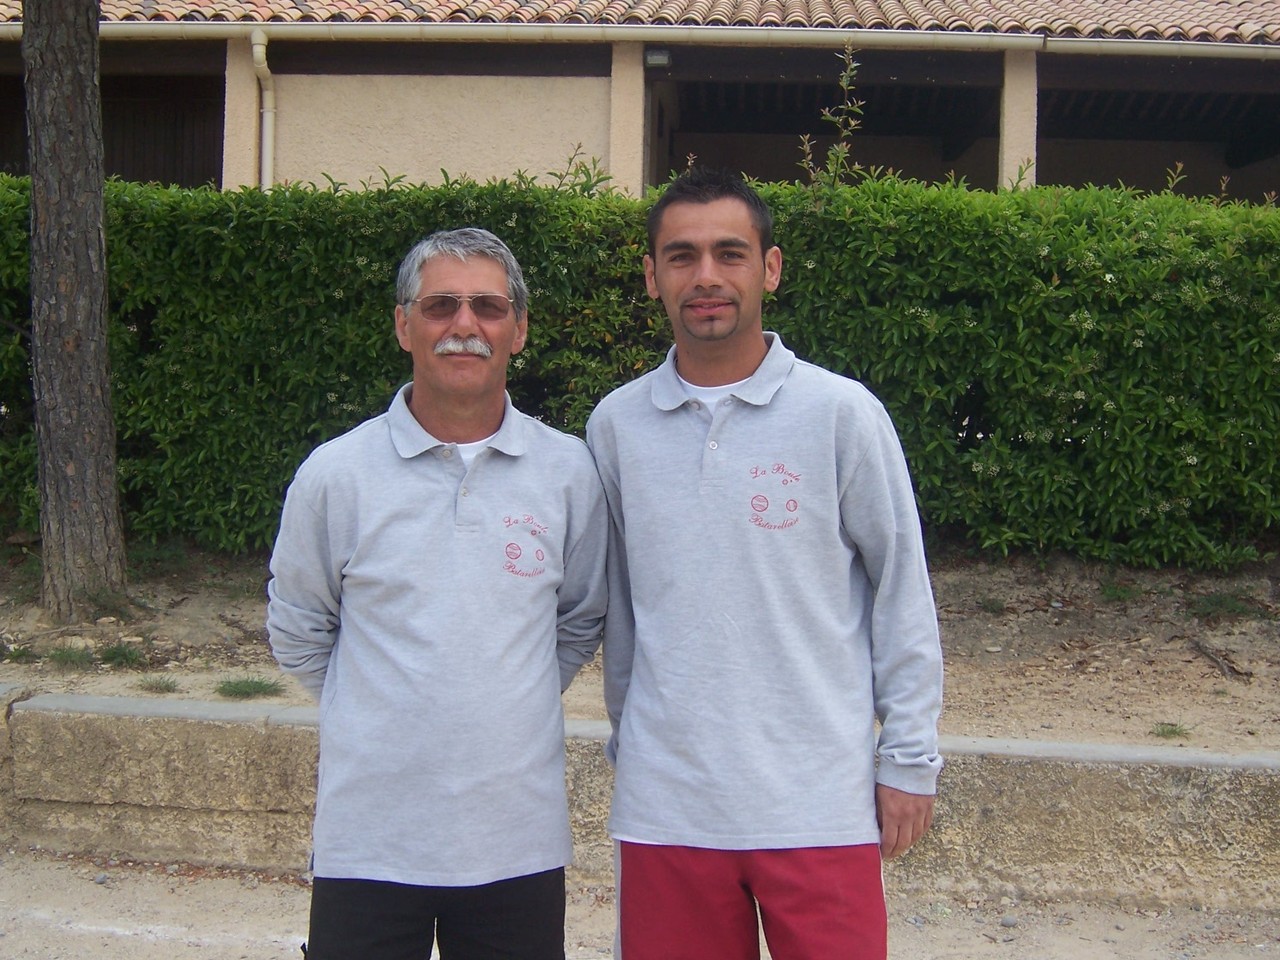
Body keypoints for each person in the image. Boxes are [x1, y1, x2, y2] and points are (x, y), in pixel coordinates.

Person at [585, 167, 944, 960]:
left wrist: (909, 757)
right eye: (680, 256)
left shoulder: (841, 414)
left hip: (819, 804)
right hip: (669, 808)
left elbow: (900, 592)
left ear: (770, 269)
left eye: (729, 253)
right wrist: (631, 746)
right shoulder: (615, 427)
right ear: (652, 277)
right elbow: (619, 609)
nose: (705, 276)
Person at [266, 227, 608, 960]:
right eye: (441, 305)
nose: (464, 325)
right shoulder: (336, 475)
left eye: (488, 307)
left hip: (516, 840)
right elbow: (299, 629)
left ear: (518, 328)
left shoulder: (569, 474)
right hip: (369, 840)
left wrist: (501, 699)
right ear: (403, 325)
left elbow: (580, 618)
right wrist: (382, 710)